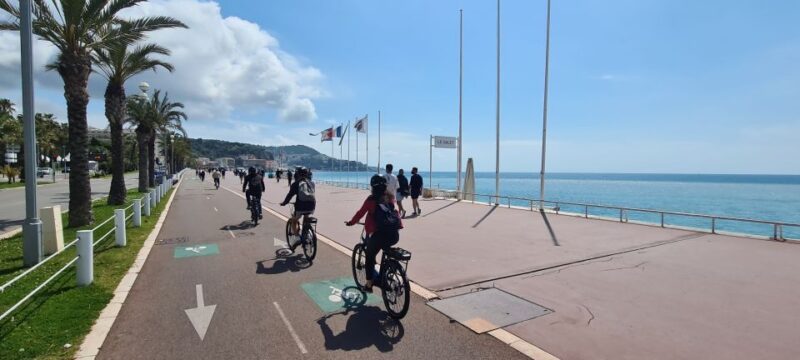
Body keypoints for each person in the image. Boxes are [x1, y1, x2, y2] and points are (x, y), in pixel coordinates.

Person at [345, 175, 403, 292]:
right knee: (382, 249)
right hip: (394, 235)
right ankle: (386, 271)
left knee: (369, 257)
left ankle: (369, 284)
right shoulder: (390, 197)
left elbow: (360, 213)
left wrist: (351, 222)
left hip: (379, 235)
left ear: (372, 187)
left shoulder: (371, 200)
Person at [280, 167, 316, 248]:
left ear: (297, 174)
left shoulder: (296, 184)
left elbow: (290, 195)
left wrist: (284, 203)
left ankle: (297, 237)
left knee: (294, 220)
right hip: (312, 206)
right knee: (306, 217)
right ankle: (306, 235)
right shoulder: (311, 183)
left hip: (300, 206)